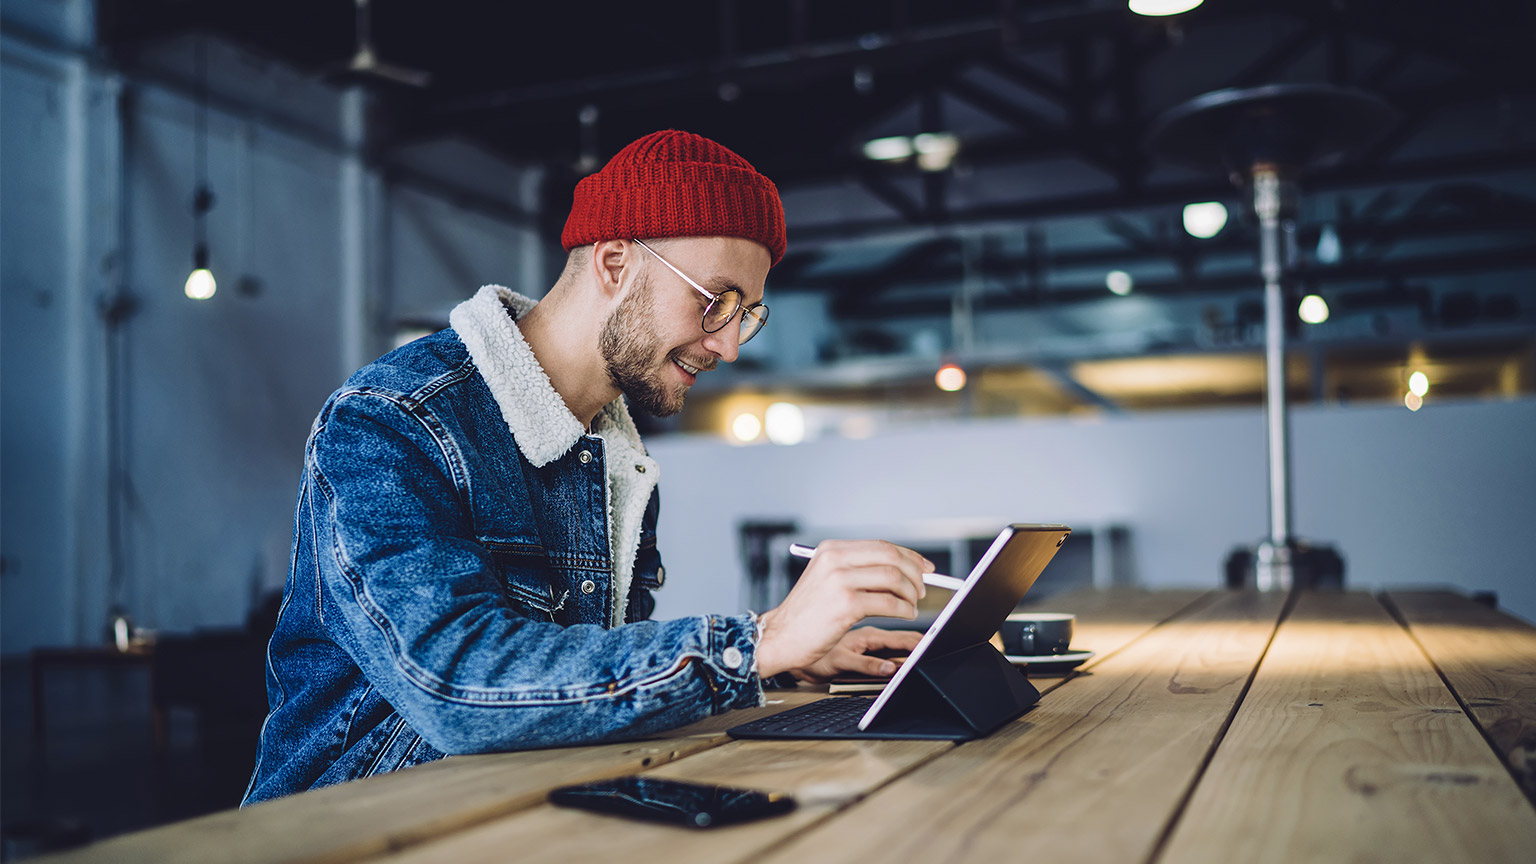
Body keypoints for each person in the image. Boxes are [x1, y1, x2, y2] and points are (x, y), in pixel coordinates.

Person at [243, 130, 932, 804]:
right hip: (355, 831)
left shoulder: (611, 448)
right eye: (715, 300)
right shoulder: (390, 419)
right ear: (612, 262)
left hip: (523, 813)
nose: (728, 346)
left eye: (747, 315)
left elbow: (572, 682)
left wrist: (778, 663)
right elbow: (453, 685)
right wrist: (753, 645)